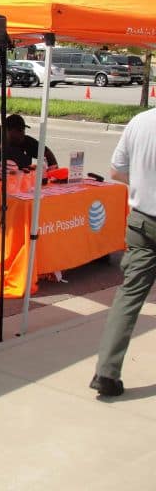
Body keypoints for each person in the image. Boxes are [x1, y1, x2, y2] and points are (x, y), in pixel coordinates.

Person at [91, 107, 156, 397]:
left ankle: (106, 370)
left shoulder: (140, 122)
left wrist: (143, 184)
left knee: (128, 297)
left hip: (142, 221)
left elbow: (116, 170)